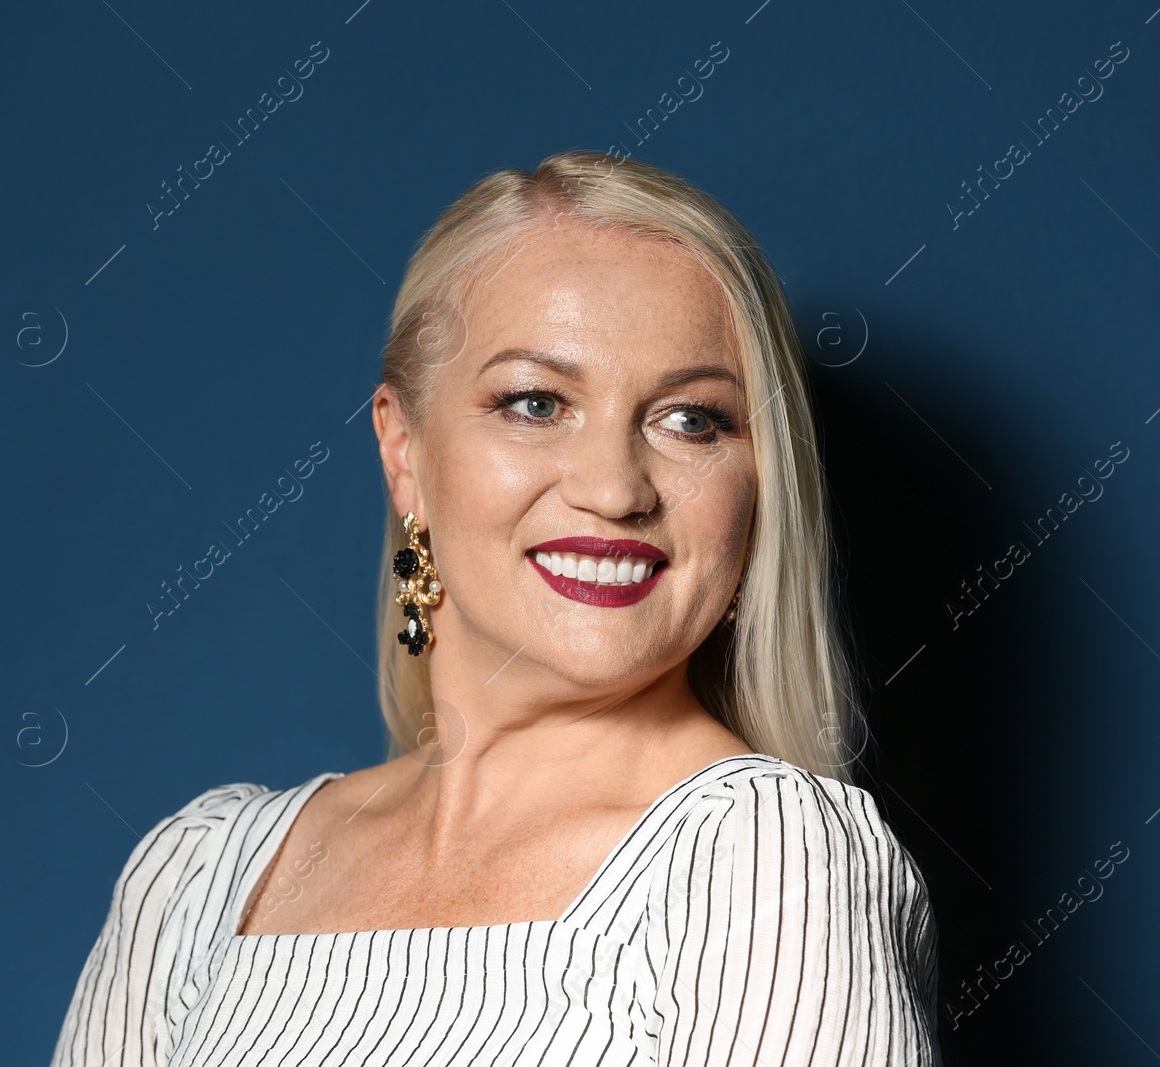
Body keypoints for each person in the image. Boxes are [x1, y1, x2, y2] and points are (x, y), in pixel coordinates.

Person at [48, 149, 940, 1066]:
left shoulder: (768, 864)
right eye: (535, 402)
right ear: (405, 453)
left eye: (690, 419)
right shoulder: (197, 875)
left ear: (759, 484)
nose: (613, 488)